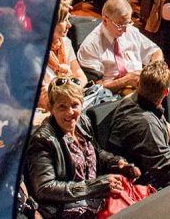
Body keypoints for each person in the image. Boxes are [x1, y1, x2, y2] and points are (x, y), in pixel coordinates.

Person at [25, 78, 137, 219]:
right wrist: (93, 187)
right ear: (51, 108)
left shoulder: (83, 122)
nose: (70, 112)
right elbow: (44, 188)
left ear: (82, 104)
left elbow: (97, 153)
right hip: (65, 212)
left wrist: (117, 163)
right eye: (62, 107)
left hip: (96, 203)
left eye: (74, 105)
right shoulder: (42, 140)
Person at [105, 60, 170, 190]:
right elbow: (169, 173)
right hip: (150, 183)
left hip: (160, 165)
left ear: (138, 84)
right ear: (166, 92)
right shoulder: (147, 126)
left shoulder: (133, 99)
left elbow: (164, 124)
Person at [76, 0, 163, 93]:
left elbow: (156, 52)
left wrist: (152, 71)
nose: (125, 29)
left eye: (128, 23)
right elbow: (95, 87)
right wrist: (126, 80)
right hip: (113, 94)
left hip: (140, 84)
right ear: (105, 20)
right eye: (120, 25)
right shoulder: (90, 45)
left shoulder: (131, 31)